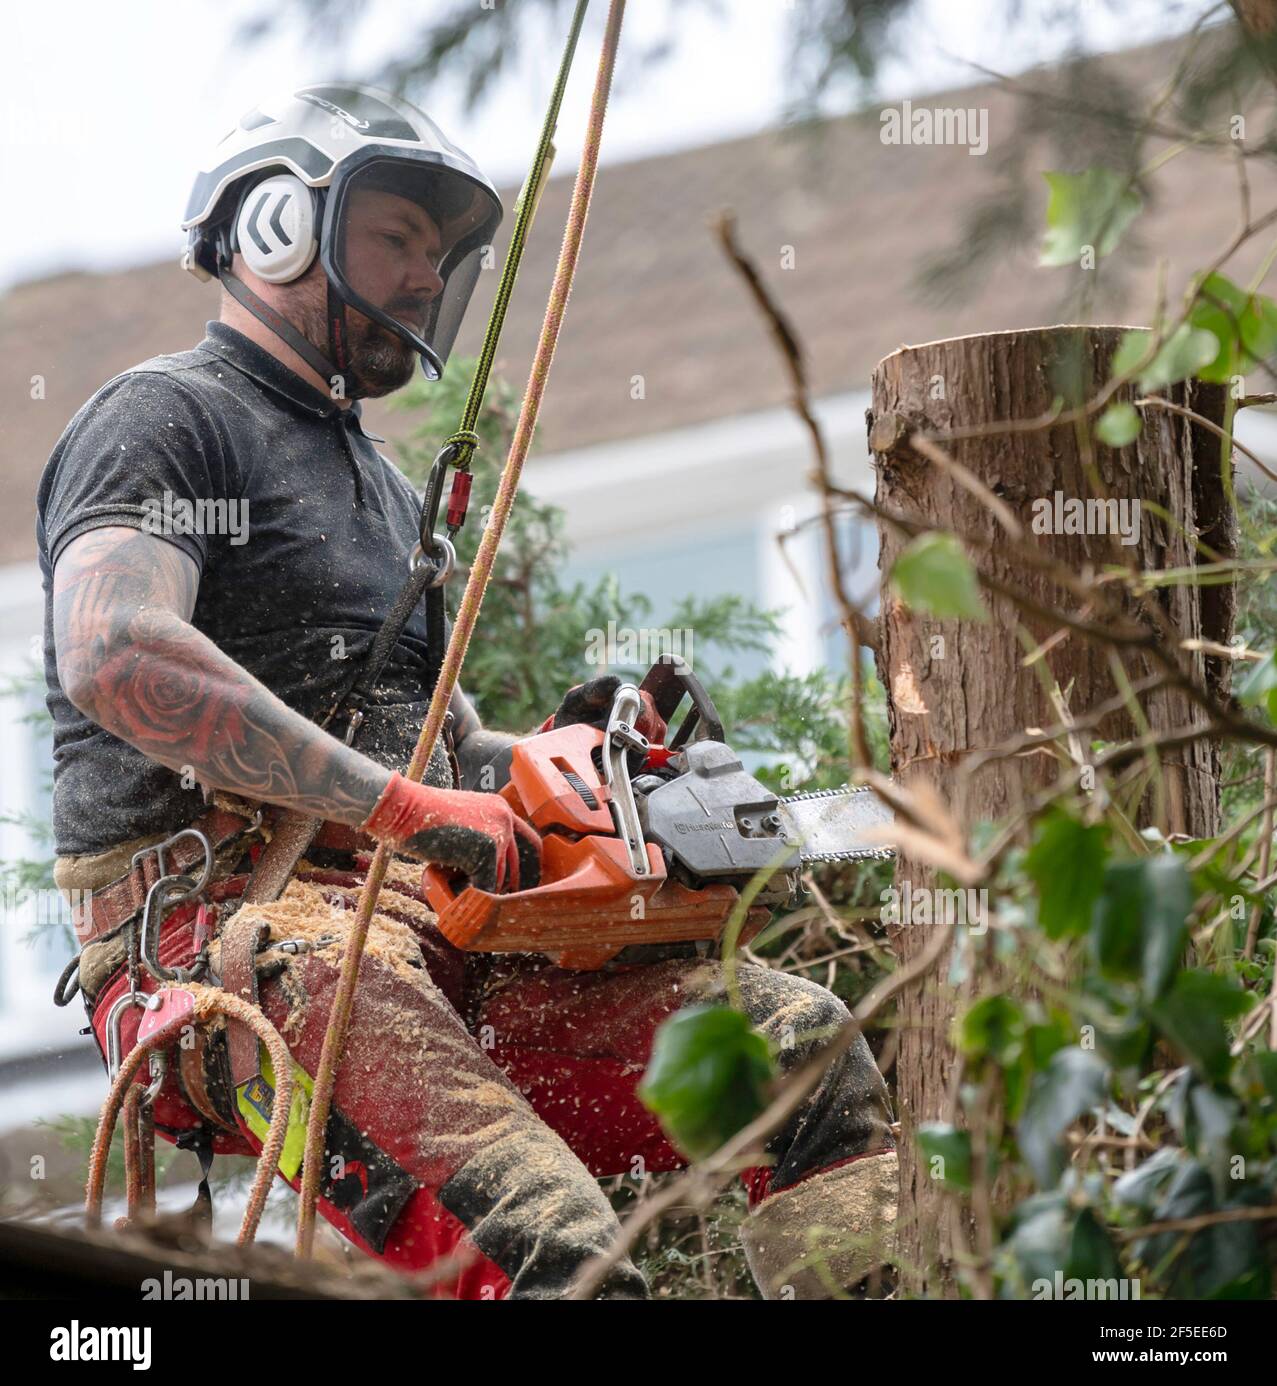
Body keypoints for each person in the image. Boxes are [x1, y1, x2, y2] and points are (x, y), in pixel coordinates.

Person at [37, 84, 896, 1299]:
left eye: (437, 257)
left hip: (427, 925)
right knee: (544, 1238)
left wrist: (564, 769)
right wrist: (403, 808)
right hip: (233, 941)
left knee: (798, 1053)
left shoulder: (382, 488)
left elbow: (428, 747)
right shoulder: (168, 418)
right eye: (395, 238)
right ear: (277, 225)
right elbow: (116, 652)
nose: (422, 277)